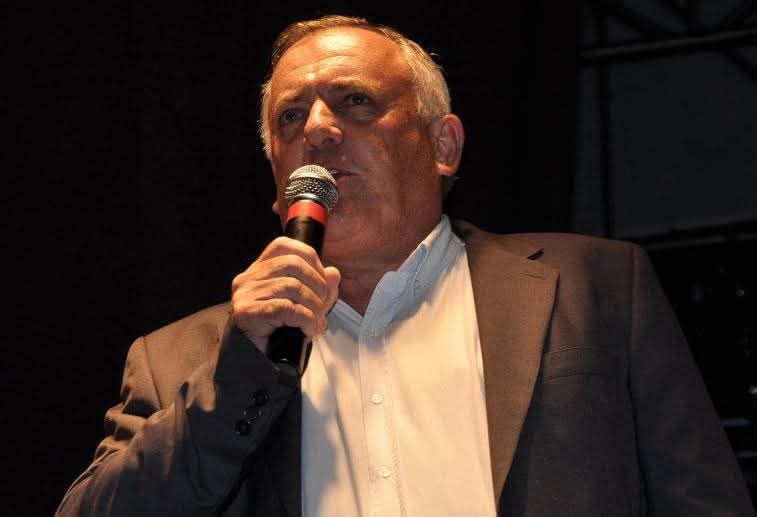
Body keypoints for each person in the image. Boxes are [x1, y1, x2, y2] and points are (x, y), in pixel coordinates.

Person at [57, 15, 753, 517]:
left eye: (355, 101)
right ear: (276, 179)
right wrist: (238, 372)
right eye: (290, 117)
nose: (317, 128)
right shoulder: (181, 359)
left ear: (442, 145)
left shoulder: (595, 287)